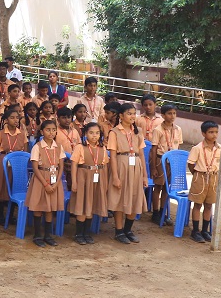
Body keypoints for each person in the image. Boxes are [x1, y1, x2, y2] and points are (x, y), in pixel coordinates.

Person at [106, 103, 148, 244]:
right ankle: (118, 231)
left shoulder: (138, 132)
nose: (132, 116)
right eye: (129, 113)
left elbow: (141, 154)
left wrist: (144, 175)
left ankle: (128, 230)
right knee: (120, 198)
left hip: (136, 166)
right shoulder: (114, 132)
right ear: (121, 116)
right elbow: (112, 155)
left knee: (135, 197)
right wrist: (116, 177)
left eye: (134, 113)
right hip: (121, 165)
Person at [24, 119, 66, 247]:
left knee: (50, 208)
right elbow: (35, 168)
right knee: (39, 207)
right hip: (41, 180)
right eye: (48, 130)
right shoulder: (37, 147)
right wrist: (46, 184)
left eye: (54, 130)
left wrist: (56, 183)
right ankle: (37, 235)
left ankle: (48, 235)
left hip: (54, 180)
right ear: (42, 131)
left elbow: (61, 167)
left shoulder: (58, 147)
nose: (51, 132)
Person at [69, 122, 108, 245]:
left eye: (97, 133)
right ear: (85, 134)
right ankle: (79, 234)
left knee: (91, 206)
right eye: (91, 133)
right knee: (82, 205)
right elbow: (74, 165)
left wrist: (105, 183)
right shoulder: (80, 147)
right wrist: (74, 182)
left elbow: (104, 166)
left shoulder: (102, 148)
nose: (94, 136)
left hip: (97, 179)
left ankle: (86, 233)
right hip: (83, 178)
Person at [187, 121, 220, 243]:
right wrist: (196, 174)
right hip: (200, 177)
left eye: (216, 132)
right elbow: (190, 163)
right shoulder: (197, 148)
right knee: (197, 204)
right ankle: (195, 231)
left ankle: (205, 230)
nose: (214, 135)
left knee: (209, 204)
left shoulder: (219, 148)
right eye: (211, 132)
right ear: (203, 133)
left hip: (213, 177)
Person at [0, 108, 27, 222]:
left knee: (14, 187)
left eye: (17, 117)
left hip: (17, 164)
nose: (15, 120)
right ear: (6, 120)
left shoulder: (22, 134)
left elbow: (25, 153)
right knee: (2, 187)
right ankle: (1, 215)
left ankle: (11, 215)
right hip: (3, 161)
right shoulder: (1, 133)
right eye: (12, 118)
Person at [150, 103, 182, 225]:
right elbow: (153, 149)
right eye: (169, 113)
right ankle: (155, 212)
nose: (172, 116)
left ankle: (163, 212)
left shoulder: (178, 129)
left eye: (174, 113)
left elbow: (178, 146)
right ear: (163, 115)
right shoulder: (158, 130)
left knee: (166, 188)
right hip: (160, 160)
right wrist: (153, 166)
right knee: (158, 186)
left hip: (172, 162)